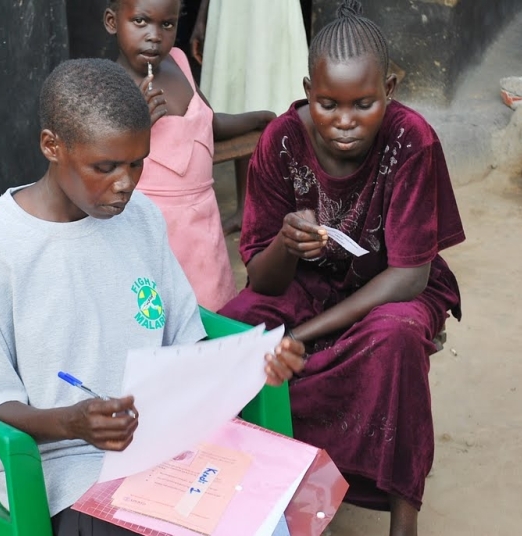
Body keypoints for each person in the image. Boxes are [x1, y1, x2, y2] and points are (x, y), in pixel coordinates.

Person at [0, 58, 305, 536]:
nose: (126, 183)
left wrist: (251, 364)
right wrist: (74, 423)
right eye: (105, 167)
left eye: (137, 163)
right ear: (52, 146)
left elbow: (187, 342)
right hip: (62, 466)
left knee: (269, 520)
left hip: (168, 445)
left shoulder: (142, 219)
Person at [217, 2, 466, 535]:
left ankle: (403, 516)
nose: (345, 122)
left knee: (395, 337)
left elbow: (410, 276)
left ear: (390, 90)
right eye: (328, 104)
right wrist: (286, 242)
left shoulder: (411, 140)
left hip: (393, 286)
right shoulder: (282, 141)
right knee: (234, 334)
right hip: (306, 284)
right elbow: (264, 280)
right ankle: (267, 488)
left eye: (364, 104)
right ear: (308, 90)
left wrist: (300, 337)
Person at [104, 0, 276, 312]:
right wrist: (136, 126)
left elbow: (209, 122)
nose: (154, 35)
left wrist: (255, 119)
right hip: (153, 231)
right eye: (141, 21)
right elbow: (103, 162)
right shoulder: (111, 87)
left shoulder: (180, 62)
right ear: (112, 22)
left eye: (167, 24)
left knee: (212, 313)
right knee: (161, 317)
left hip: (202, 226)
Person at [190, 0, 310, 235]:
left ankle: (286, 208)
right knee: (238, 95)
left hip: (271, 7)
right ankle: (246, 210)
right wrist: (203, 14)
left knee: (277, 91)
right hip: (230, 8)